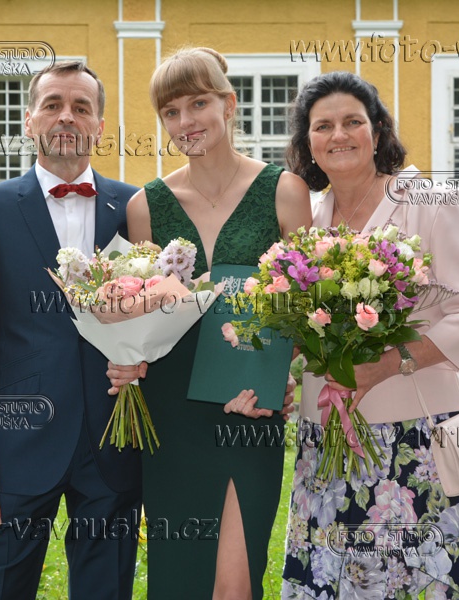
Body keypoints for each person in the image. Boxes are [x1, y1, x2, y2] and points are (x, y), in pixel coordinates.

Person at [280, 71, 459, 598]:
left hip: (417, 438)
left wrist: (387, 363)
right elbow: (295, 323)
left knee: (417, 584)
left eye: (353, 122)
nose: (339, 135)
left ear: (378, 131)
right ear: (308, 141)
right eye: (323, 126)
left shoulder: (431, 200)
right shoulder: (307, 218)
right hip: (325, 439)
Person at [114, 47, 311, 599]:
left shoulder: (285, 191)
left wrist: (277, 377)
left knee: (235, 583)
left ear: (228, 104)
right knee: (179, 581)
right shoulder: (145, 206)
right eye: (170, 111)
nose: (185, 122)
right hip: (172, 414)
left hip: (248, 412)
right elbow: (141, 314)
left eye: (198, 103)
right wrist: (127, 358)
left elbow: (306, 311)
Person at [0, 61, 142, 600]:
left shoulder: (134, 208)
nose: (67, 117)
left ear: (100, 125)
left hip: (113, 444)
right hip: (18, 446)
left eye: (82, 107)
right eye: (53, 104)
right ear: (29, 120)